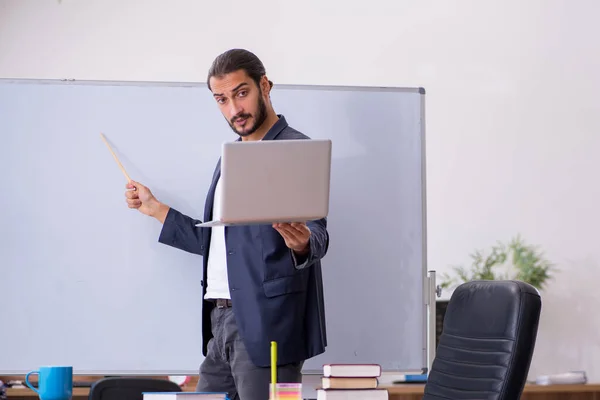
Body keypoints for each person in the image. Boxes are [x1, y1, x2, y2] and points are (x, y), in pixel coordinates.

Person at [124, 48, 329, 400]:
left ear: (265, 86)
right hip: (218, 322)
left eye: (241, 93)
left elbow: (318, 235)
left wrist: (301, 243)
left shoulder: (296, 149)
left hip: (267, 327)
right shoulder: (230, 158)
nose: (234, 110)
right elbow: (220, 241)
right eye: (222, 99)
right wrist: (155, 208)